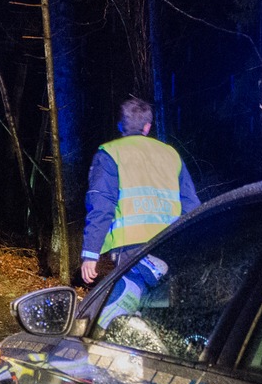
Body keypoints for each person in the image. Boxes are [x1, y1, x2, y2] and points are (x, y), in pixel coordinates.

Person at [81, 97, 201, 283]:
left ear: (120, 126)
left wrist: (91, 253)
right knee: (163, 302)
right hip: (169, 242)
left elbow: (102, 205)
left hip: (130, 248)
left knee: (132, 300)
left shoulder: (110, 154)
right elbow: (191, 205)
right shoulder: (170, 154)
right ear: (147, 127)